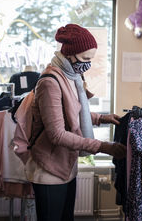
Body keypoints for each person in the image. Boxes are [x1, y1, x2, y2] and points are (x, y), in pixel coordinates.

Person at [25, 24, 126, 221]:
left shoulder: (71, 76)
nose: (88, 64)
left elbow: (72, 111)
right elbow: (57, 134)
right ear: (70, 54)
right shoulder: (49, 82)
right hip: (49, 170)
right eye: (86, 58)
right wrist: (104, 146)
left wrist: (102, 118)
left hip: (65, 166)